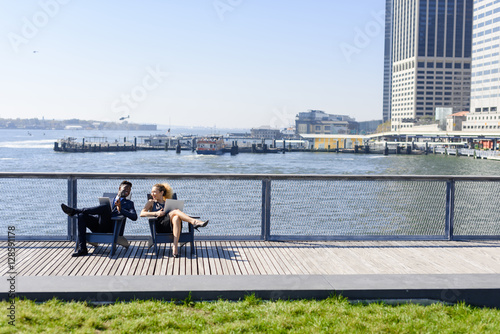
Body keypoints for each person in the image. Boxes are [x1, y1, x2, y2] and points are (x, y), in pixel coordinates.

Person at [61, 180, 138, 257]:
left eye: (129, 189)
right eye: (125, 188)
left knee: (105, 207)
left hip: (112, 228)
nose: (127, 190)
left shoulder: (129, 203)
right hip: (99, 225)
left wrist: (120, 209)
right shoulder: (109, 199)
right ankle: (82, 249)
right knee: (81, 216)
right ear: (119, 188)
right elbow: (98, 212)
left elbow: (134, 217)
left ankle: (75, 211)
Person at [140, 183, 208, 257]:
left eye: (154, 192)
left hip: (173, 226)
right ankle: (194, 221)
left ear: (161, 192)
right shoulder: (151, 202)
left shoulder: (168, 202)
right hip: (160, 226)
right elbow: (142, 213)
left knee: (176, 218)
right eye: (152, 192)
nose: (152, 193)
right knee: (175, 211)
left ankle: (175, 246)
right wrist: (156, 213)